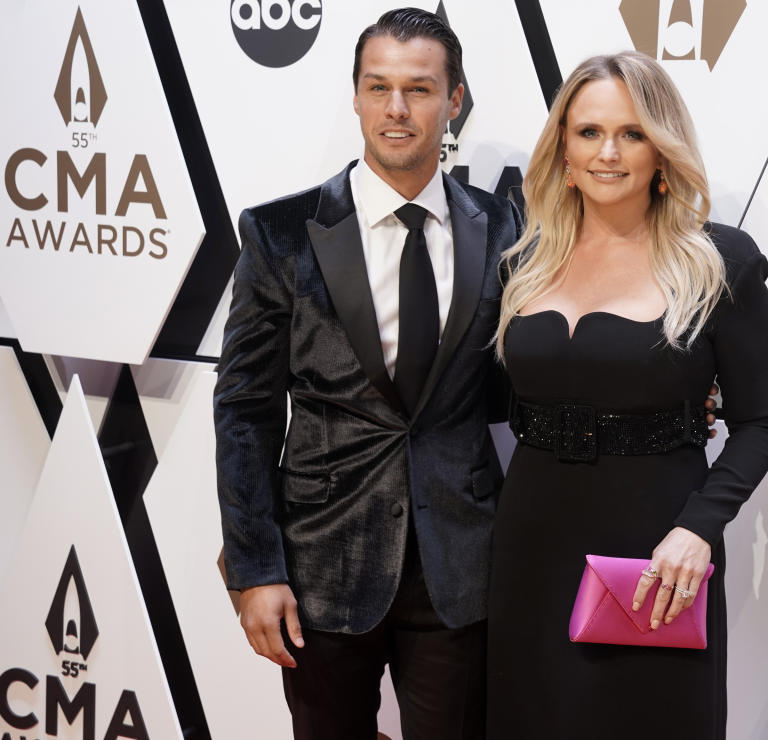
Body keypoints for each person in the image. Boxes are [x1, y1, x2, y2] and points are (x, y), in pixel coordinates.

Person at [213, 8, 523, 739]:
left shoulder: (506, 229)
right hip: (320, 565)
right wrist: (254, 569)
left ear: (454, 101)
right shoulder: (280, 234)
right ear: (354, 95)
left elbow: (536, 376)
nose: (395, 108)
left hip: (461, 568)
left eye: (418, 89)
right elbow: (245, 410)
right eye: (377, 86)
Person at [486, 51, 768, 739]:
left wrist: (698, 530)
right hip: (531, 542)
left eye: (633, 133)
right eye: (589, 132)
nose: (609, 153)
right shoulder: (525, 259)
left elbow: (760, 424)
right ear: (563, 146)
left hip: (656, 551)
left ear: (663, 149)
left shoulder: (719, 261)